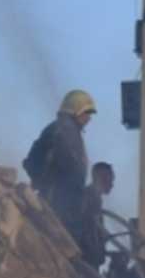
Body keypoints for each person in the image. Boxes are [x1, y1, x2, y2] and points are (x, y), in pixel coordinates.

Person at [23, 89, 96, 241]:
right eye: (86, 113)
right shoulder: (64, 131)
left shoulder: (63, 129)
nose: (89, 118)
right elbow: (68, 171)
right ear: (76, 110)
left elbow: (30, 162)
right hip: (57, 205)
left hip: (61, 203)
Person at [80, 162, 114, 269]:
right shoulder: (88, 197)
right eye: (109, 180)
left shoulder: (95, 198)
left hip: (92, 256)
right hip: (87, 257)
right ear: (100, 178)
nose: (112, 184)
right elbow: (87, 226)